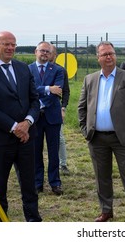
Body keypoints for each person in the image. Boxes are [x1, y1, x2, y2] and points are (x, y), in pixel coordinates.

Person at [0, 31, 42, 222]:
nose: (11, 48)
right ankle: (0, 222)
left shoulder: (23, 68)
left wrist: (27, 123)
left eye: (13, 44)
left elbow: (34, 100)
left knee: (29, 185)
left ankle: (33, 220)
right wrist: (15, 127)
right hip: (0, 139)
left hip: (26, 138)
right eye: (6, 44)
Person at [78, 41, 125, 222]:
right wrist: (86, 130)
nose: (109, 57)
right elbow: (82, 108)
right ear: (98, 58)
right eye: (105, 54)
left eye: (112, 53)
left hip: (122, 138)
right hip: (97, 138)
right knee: (102, 177)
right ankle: (106, 211)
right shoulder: (90, 79)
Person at [28, 41, 64, 196]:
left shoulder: (58, 70)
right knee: (35, 152)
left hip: (52, 116)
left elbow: (58, 90)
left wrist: (42, 94)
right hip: (34, 117)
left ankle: (55, 182)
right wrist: (48, 88)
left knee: (53, 152)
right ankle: (37, 183)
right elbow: (27, 90)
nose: (44, 54)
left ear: (51, 54)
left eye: (47, 52)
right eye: (41, 51)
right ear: (36, 51)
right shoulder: (27, 69)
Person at [49, 44, 71, 175]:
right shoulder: (35, 70)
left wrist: (63, 107)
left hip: (55, 109)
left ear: (55, 55)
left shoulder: (61, 71)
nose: (46, 54)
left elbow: (66, 91)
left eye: (49, 52)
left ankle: (63, 164)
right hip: (39, 110)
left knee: (60, 138)